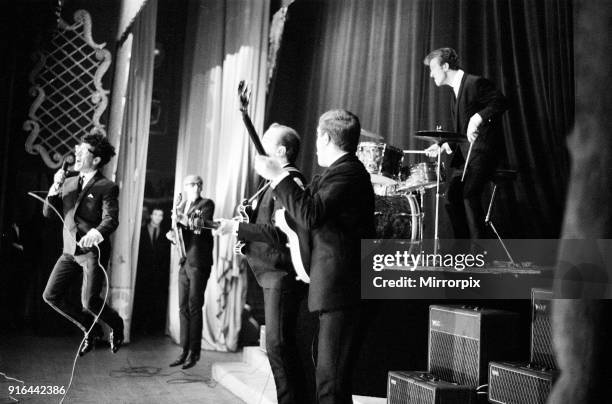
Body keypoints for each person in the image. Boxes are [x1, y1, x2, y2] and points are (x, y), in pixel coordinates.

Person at [255, 110, 375, 404]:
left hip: (343, 291)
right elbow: (303, 213)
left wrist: (278, 175)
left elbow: (309, 214)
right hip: (332, 291)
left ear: (325, 137)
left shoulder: (349, 172)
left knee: (330, 385)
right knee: (329, 383)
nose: (315, 146)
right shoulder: (334, 174)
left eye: (317, 138)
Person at [214, 123, 310, 404]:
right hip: (268, 273)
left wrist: (237, 228)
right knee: (278, 347)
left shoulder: (289, 183)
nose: (259, 152)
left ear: (280, 151)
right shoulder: (273, 183)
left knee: (280, 346)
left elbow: (280, 234)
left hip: (280, 274)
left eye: (265, 145)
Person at [42, 133, 123, 356]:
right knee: (50, 296)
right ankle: (90, 328)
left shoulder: (107, 186)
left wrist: (96, 233)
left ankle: (116, 324)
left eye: (83, 151)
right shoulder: (67, 181)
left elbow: (111, 219)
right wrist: (55, 187)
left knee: (89, 303)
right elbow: (48, 213)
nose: (77, 152)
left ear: (96, 159)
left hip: (91, 253)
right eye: (77, 149)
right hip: (69, 251)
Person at [423, 47, 508, 247]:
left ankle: (480, 252)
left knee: (469, 194)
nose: (431, 74)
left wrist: (478, 117)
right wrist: (443, 146)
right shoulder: (456, 91)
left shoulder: (474, 83)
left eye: (433, 68)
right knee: (451, 198)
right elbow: (462, 132)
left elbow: (501, 101)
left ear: (445, 66)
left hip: (483, 153)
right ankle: (461, 250)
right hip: (469, 156)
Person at [166, 175, 214, 370]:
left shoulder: (207, 204)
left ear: (199, 186)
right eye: (188, 185)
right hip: (185, 262)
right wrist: (172, 234)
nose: (190, 188)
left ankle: (194, 352)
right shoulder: (184, 204)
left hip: (199, 261)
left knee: (194, 306)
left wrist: (180, 217)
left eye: (193, 185)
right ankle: (184, 350)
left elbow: (199, 224)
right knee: (182, 307)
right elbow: (180, 232)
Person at [133, 206, 170, 336]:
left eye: (160, 215)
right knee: (141, 300)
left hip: (158, 275)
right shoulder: (141, 231)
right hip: (142, 273)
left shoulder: (166, 233)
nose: (158, 218)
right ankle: (139, 328)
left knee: (155, 301)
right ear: (151, 216)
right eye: (155, 214)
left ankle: (152, 328)